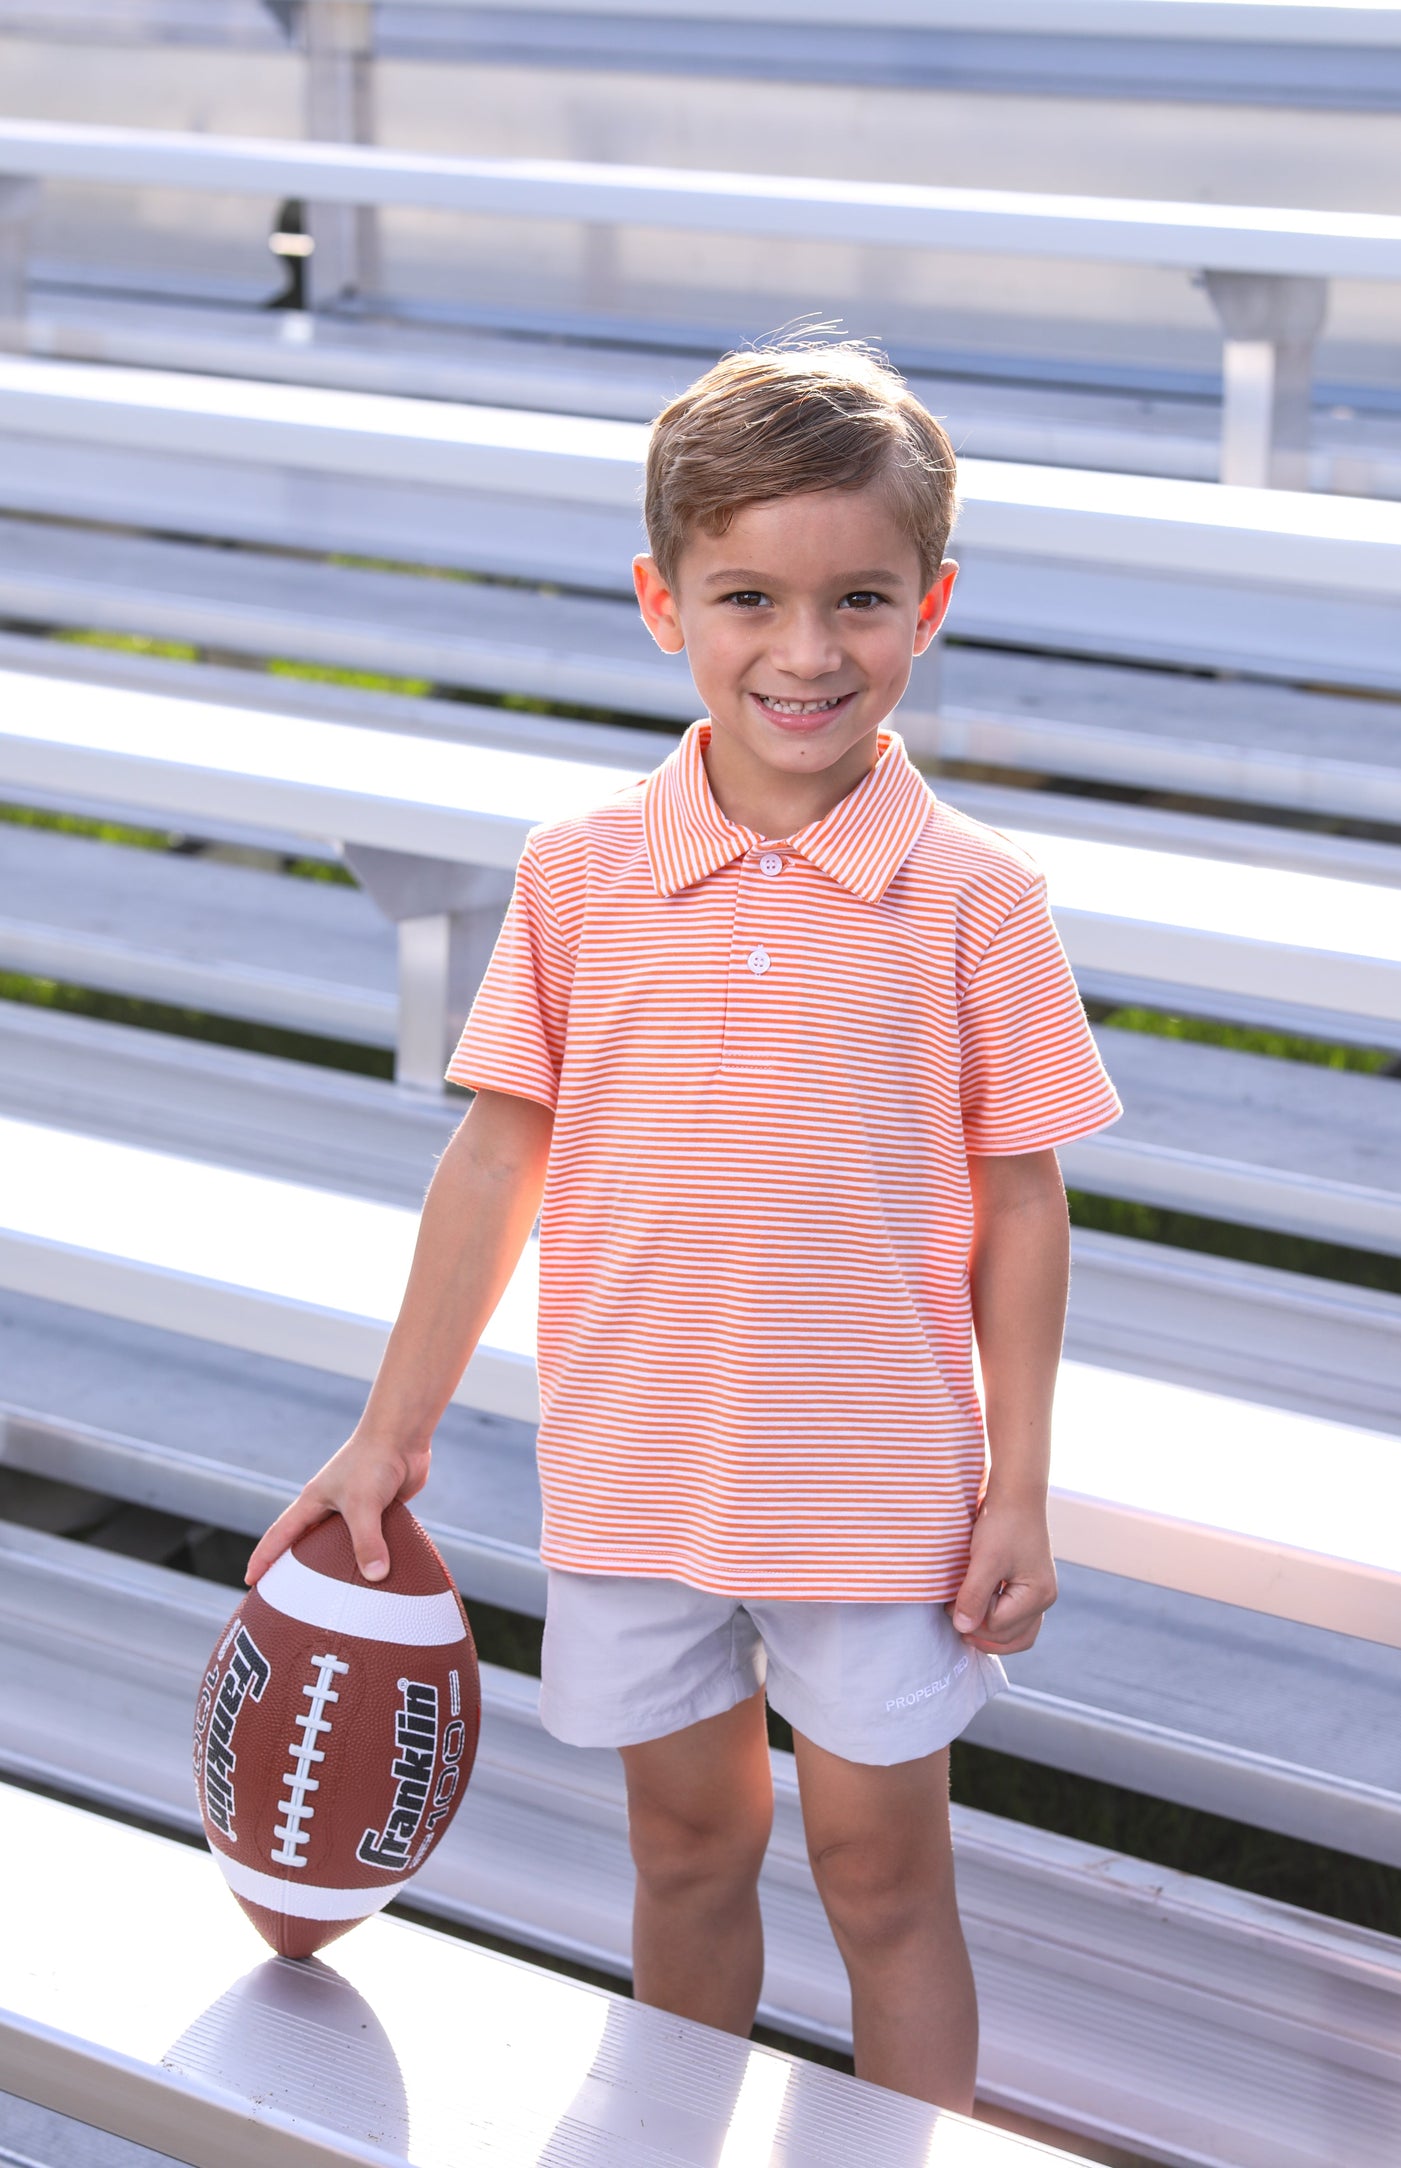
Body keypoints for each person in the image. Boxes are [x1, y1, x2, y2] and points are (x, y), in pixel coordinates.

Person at [245, 338, 1122, 2114]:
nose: (806, 653)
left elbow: (1020, 1207)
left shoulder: (977, 901)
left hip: (877, 1491)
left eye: (857, 600)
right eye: (749, 599)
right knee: (684, 1862)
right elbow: (497, 1162)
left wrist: (1018, 1485)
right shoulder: (577, 874)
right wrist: (386, 1431)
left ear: (928, 604)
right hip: (636, 1474)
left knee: (884, 1882)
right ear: (663, 603)